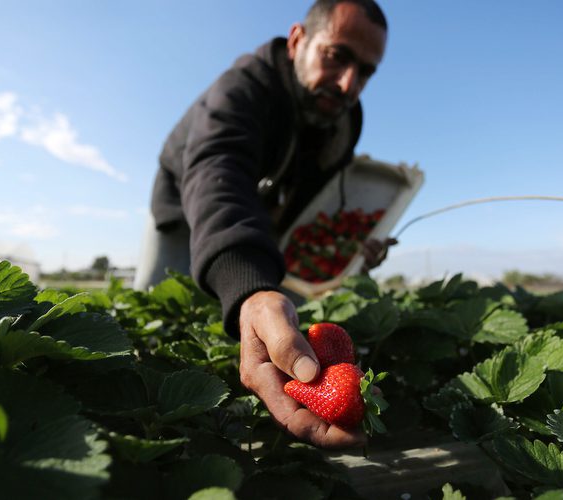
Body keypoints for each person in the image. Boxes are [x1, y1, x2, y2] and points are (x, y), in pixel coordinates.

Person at [135, 0, 390, 448]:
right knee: (155, 311)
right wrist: (247, 285)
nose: (350, 83)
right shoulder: (244, 87)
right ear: (297, 41)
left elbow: (316, 209)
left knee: (276, 321)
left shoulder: (345, 121)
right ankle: (147, 409)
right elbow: (219, 170)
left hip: (261, 222)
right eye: (337, 56)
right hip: (188, 202)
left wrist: (351, 243)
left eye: (366, 72)